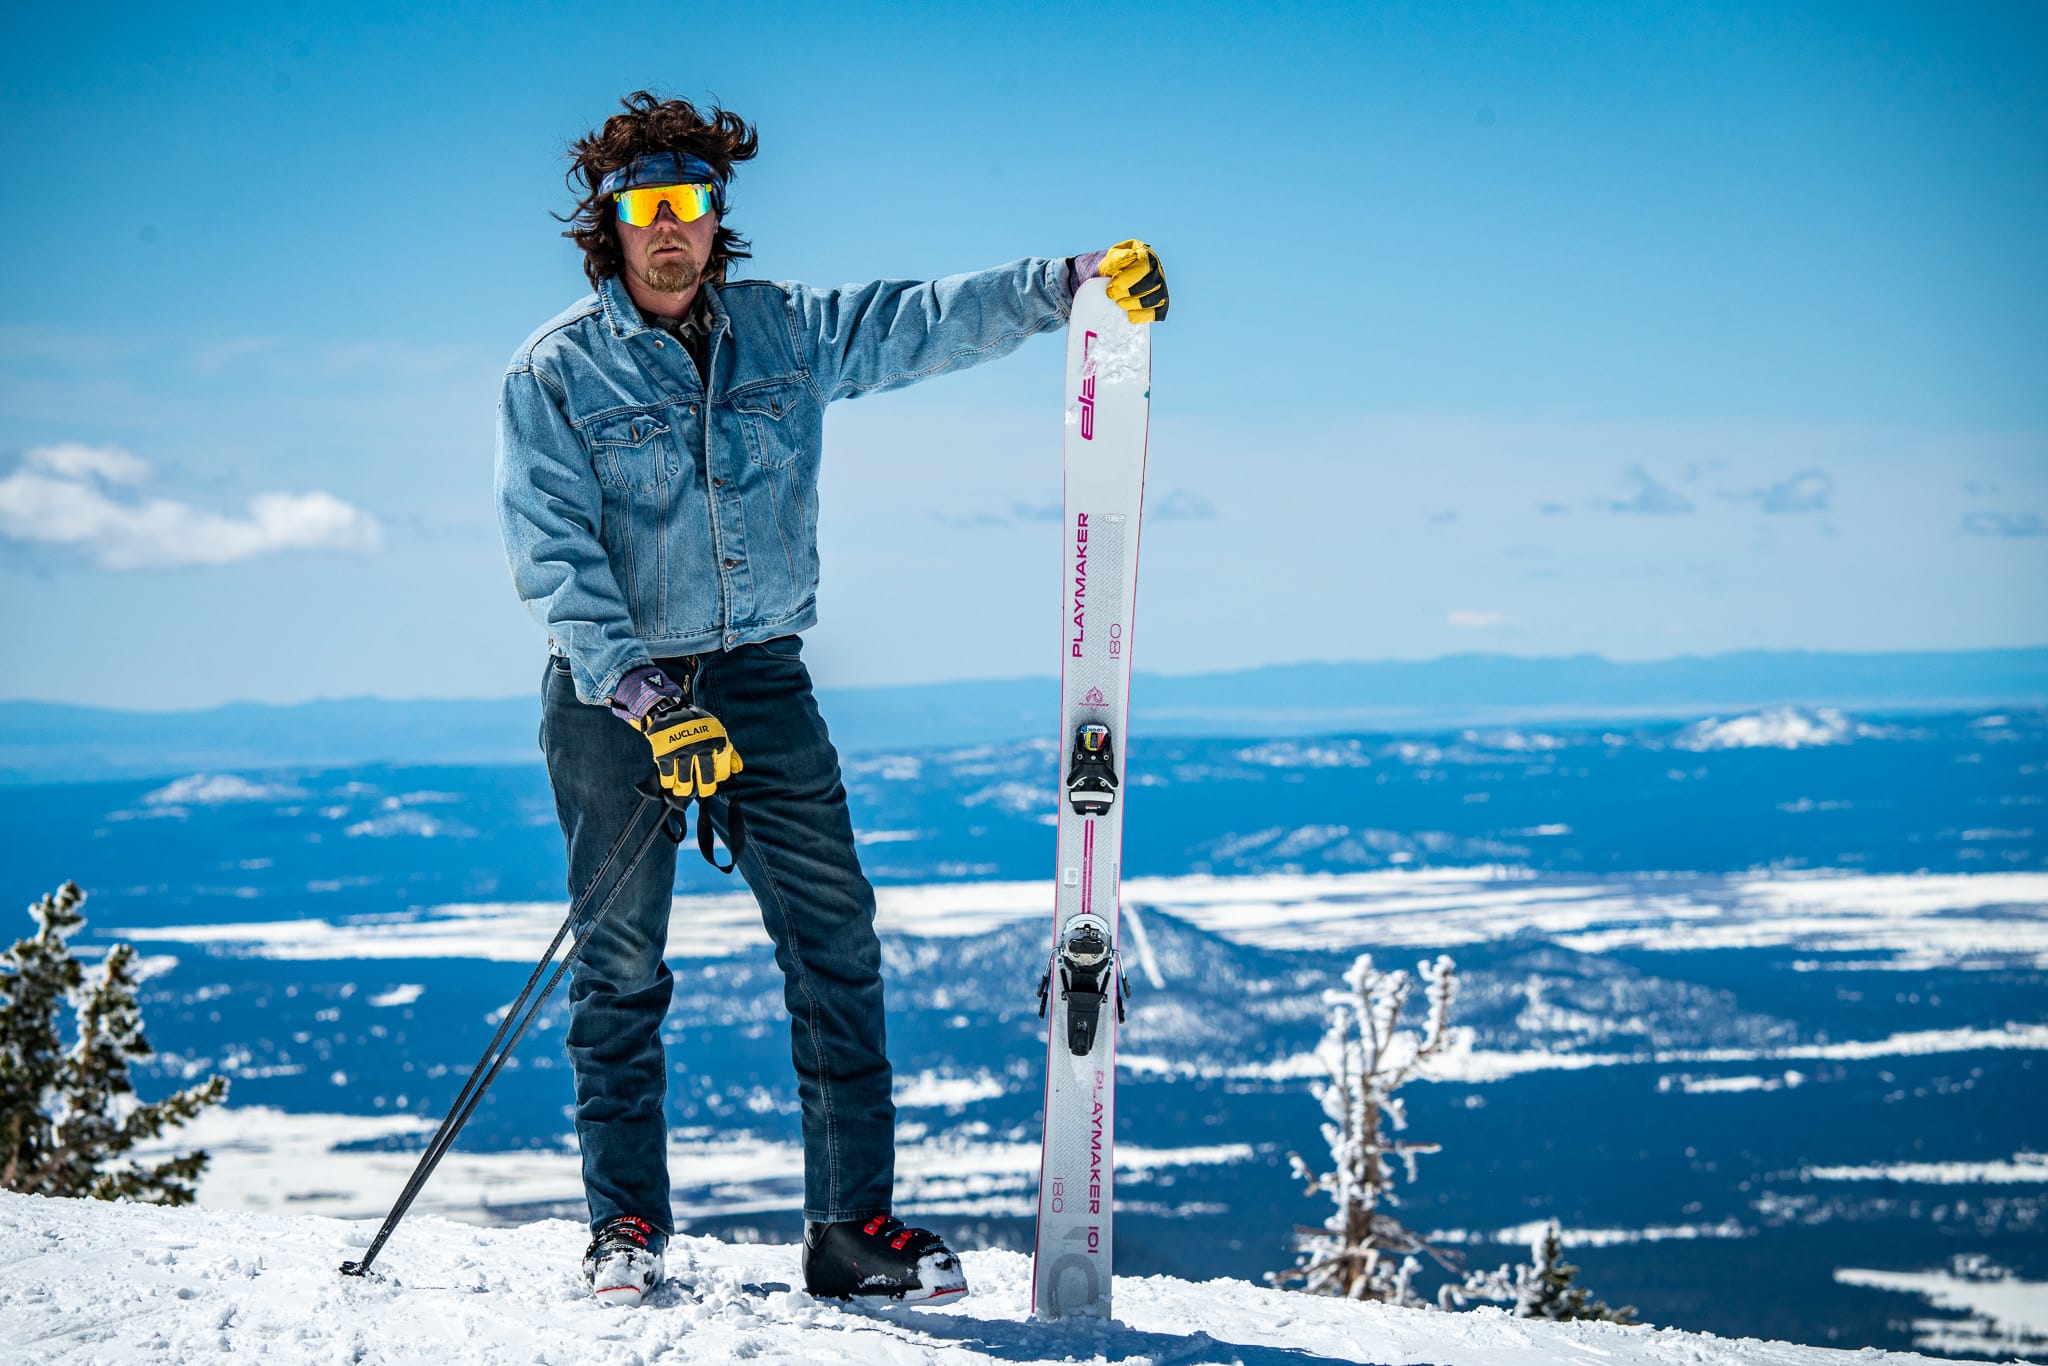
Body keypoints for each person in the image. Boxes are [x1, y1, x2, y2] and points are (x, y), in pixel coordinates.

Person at [493, 91, 1168, 1309]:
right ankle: (625, 1227)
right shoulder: (553, 374)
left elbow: (921, 321)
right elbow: (553, 558)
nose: (669, 228)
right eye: (645, 205)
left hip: (759, 677)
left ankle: (849, 1230)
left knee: (833, 948)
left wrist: (1070, 283)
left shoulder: (784, 333)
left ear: (715, 216)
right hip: (611, 699)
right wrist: (648, 696)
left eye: (690, 203)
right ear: (609, 220)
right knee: (619, 964)